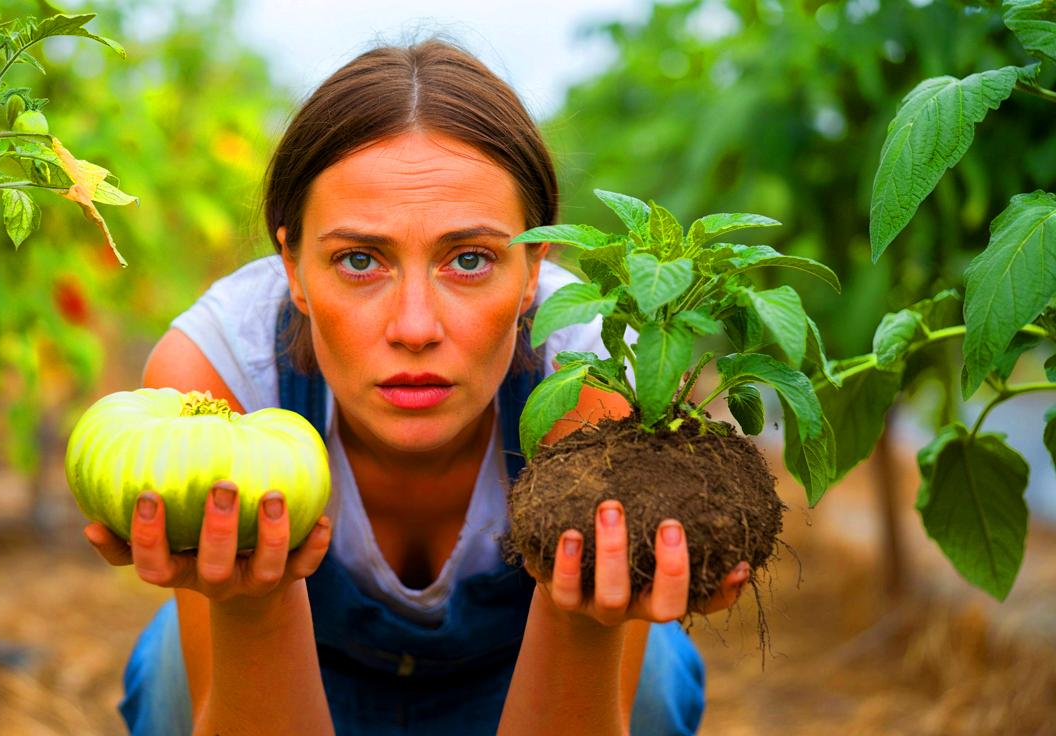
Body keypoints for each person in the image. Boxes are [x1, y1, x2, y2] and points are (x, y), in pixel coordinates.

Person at [84, 38, 751, 735]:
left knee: (653, 677)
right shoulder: (220, 371)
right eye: (359, 260)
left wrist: (582, 618)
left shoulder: (589, 375)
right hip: (298, 671)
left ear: (533, 270)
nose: (414, 327)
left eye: (469, 259)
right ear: (293, 267)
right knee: (169, 669)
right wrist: (251, 603)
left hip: (525, 673)